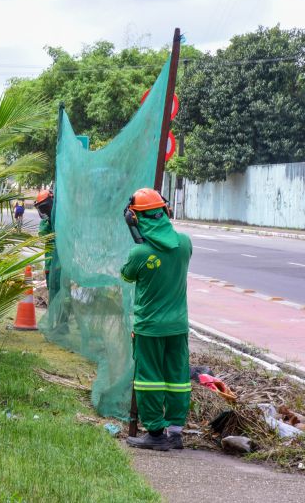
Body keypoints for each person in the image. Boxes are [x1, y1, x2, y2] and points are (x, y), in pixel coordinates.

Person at [121, 188, 192, 451]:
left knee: (148, 377)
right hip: (178, 325)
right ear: (165, 211)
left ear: (135, 219)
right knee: (177, 377)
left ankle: (154, 433)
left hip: (149, 327)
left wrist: (139, 242)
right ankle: (176, 433)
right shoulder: (185, 243)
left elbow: (127, 276)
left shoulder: (138, 254)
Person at [35, 190, 57, 299]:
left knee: (62, 294)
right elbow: (42, 235)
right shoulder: (45, 223)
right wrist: (48, 222)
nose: (44, 211)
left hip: (61, 265)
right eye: (42, 209)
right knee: (52, 292)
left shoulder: (61, 218)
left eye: (45, 207)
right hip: (49, 265)